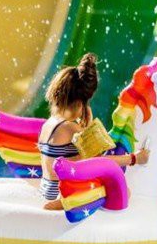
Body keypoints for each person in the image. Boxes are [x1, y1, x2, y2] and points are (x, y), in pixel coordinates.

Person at [38, 53, 149, 210]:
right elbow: (101, 162)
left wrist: (86, 125)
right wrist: (134, 158)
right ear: (80, 103)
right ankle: (64, 204)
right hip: (61, 193)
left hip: (46, 189)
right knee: (125, 191)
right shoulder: (71, 128)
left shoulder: (49, 124)